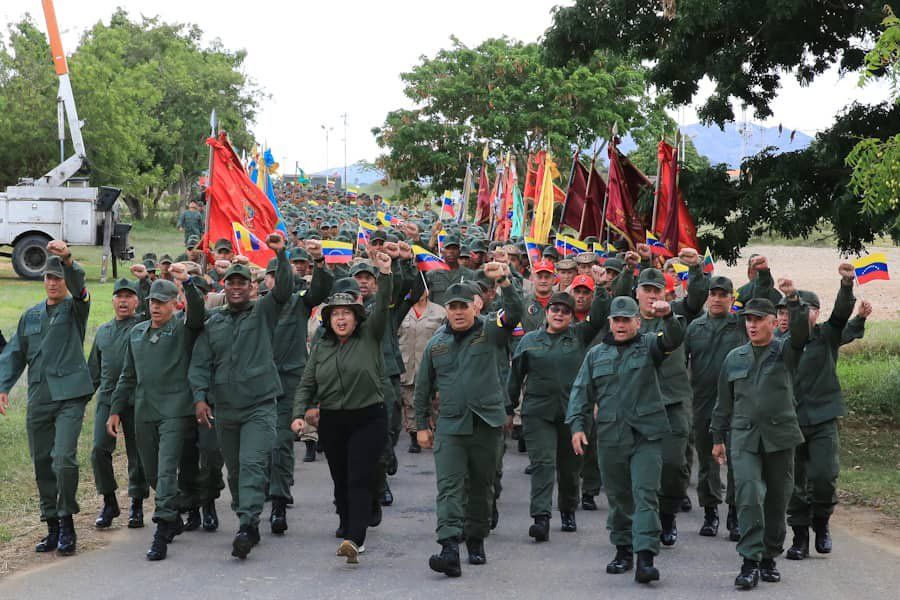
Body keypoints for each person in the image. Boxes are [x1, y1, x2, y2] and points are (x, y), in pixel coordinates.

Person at [567, 295, 686, 585]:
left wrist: (669, 315)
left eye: (626, 320)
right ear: (610, 323)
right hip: (610, 436)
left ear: (637, 322)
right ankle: (623, 550)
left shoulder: (648, 346)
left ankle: (646, 557)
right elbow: (581, 392)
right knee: (619, 497)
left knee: (645, 494)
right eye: (616, 320)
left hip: (646, 435)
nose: (620, 325)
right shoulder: (596, 355)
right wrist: (578, 427)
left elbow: (674, 338)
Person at [414, 263, 523, 578]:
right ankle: (449, 547)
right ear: (446, 310)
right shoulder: (437, 345)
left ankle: (476, 540)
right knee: (449, 486)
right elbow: (423, 389)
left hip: (486, 424)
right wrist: (421, 425)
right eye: (453, 307)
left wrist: (503, 280)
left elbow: (513, 311)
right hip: (450, 426)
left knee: (481, 485)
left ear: (475, 308)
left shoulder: (491, 331)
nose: (459, 312)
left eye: (464, 306)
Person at [188, 234, 291, 559]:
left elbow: (284, 290)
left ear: (251, 287)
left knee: (252, 464)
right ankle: (247, 515)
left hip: (259, 406)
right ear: (223, 286)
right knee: (234, 470)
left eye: (242, 283)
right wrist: (200, 398)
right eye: (230, 282)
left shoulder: (262, 312)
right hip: (226, 409)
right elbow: (201, 363)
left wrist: (281, 254)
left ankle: (247, 524)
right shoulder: (213, 322)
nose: (236, 287)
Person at [291, 250, 394, 565]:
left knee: (358, 476)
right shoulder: (322, 346)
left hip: (369, 417)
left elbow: (384, 309)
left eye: (346, 313)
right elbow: (308, 383)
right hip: (333, 420)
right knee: (340, 479)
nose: (341, 318)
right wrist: (299, 413)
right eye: (335, 313)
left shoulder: (371, 336)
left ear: (356, 315)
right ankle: (350, 520)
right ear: (328, 318)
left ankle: (355, 538)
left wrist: (386, 273)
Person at [0, 241, 93, 557]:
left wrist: (67, 259)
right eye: (49, 278)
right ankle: (52, 525)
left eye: (59, 277)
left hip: (70, 396)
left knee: (63, 458)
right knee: (42, 462)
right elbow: (14, 353)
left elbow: (80, 286)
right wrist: (2, 386)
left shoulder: (76, 308)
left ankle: (67, 521)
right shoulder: (31, 315)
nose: (53, 283)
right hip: (40, 395)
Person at [712, 290, 809, 590]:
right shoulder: (734, 358)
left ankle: (769, 554)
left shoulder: (786, 351)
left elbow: (801, 334)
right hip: (743, 436)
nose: (751, 326)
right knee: (750, 493)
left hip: (780, 436)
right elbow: (723, 403)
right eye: (748, 320)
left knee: (777, 500)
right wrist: (717, 438)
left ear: (772, 322)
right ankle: (749, 561)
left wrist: (793, 303)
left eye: (757, 320)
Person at [107, 265, 205, 561]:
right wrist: (114, 409)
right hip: (144, 410)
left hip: (175, 410)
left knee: (165, 470)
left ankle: (162, 529)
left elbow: (198, 313)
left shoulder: (182, 328)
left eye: (162, 302)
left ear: (175, 304)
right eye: (152, 302)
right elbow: (127, 375)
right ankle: (173, 513)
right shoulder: (136, 333)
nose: (156, 307)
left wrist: (187, 283)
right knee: (150, 472)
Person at [507, 290, 607, 541]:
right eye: (555, 310)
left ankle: (568, 509)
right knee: (543, 464)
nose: (559, 314)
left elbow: (597, 317)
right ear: (547, 312)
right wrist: (508, 409)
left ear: (572, 316)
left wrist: (602, 288)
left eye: (565, 311)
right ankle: (541, 518)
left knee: (570, 467)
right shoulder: (529, 341)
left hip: (573, 414)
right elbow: (515, 377)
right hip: (538, 413)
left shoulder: (578, 335)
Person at [786, 263, 856, 560]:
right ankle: (800, 536)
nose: (806, 314)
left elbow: (841, 314)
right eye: (799, 309)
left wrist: (847, 283)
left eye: (810, 308)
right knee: (795, 483)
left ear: (817, 312)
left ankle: (821, 522)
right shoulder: (782, 343)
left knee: (824, 477)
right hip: (790, 421)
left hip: (823, 418)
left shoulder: (827, 335)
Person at [268, 239, 331, 533]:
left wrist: (319, 261)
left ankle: (279, 501)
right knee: (261, 447)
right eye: (270, 275)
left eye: (279, 273)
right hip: (258, 385)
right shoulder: (257, 308)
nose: (275, 279)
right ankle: (261, 492)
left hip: (289, 381)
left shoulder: (299, 302)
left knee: (281, 442)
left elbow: (320, 290)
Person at [88, 278, 149, 530]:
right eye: (119, 296)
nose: (123, 301)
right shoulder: (103, 332)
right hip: (107, 398)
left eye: (129, 296)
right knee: (99, 450)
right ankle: (109, 501)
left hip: (136, 398)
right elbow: (93, 370)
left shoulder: (143, 326)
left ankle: (136, 503)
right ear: (112, 300)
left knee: (138, 454)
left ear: (137, 301)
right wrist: (81, 400)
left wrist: (145, 281)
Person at [398, 285, 445, 453]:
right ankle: (414, 434)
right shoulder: (403, 310)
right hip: (407, 363)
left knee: (433, 402)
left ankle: (436, 432)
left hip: (432, 365)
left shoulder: (440, 312)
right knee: (410, 402)